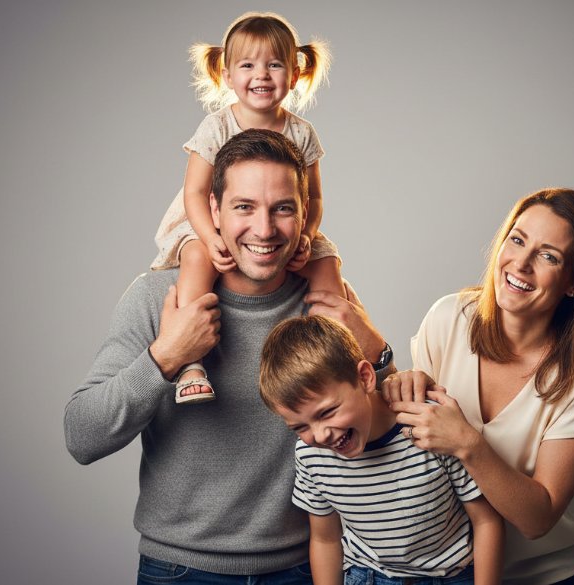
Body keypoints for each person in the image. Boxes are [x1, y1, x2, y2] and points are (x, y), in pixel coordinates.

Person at [64, 129, 392, 584]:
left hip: (304, 568)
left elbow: (383, 420)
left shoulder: (326, 302)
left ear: (304, 218)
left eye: (283, 208)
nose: (264, 229)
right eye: (244, 207)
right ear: (212, 210)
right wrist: (167, 356)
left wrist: (380, 352)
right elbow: (81, 436)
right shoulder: (158, 298)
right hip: (181, 570)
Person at [382, 188, 574, 585]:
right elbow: (418, 454)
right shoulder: (449, 317)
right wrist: (403, 384)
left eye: (549, 256)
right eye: (517, 240)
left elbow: (538, 518)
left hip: (546, 576)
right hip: (449, 575)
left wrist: (468, 442)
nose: (521, 263)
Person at [151, 11, 342, 403]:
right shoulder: (217, 127)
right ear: (226, 74)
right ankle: (190, 362)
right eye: (248, 65)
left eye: (274, 65)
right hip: (205, 217)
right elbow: (195, 193)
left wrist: (306, 235)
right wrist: (209, 235)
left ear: (294, 73)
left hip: (289, 226)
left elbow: (314, 198)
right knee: (198, 259)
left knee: (327, 263)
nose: (262, 75)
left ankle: (331, 355)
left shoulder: (302, 132)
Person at [259, 315, 503, 585]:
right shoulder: (309, 455)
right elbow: (325, 539)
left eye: (327, 412)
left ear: (364, 378)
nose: (320, 435)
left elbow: (486, 522)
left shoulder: (431, 426)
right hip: (367, 577)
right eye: (299, 427)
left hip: (451, 577)